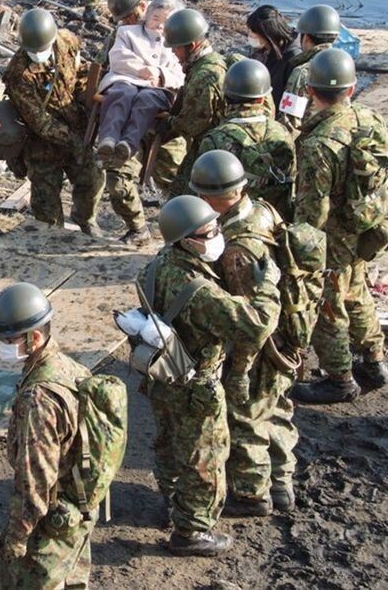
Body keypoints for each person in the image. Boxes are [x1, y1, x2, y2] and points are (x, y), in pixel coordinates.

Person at [141, 196, 277, 556]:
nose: (218, 235)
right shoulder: (200, 292)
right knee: (206, 458)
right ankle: (192, 532)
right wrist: (268, 287)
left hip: (162, 375)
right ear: (187, 241)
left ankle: (172, 503)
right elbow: (255, 326)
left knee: (169, 443)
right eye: (209, 232)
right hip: (197, 385)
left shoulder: (155, 268)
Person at [189, 151, 298, 515]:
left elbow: (251, 323)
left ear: (207, 196)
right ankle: (281, 484)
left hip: (261, 344)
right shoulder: (263, 209)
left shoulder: (236, 248)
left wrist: (239, 371)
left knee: (247, 414)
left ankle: (252, 494)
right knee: (276, 408)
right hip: (284, 331)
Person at [0, 283, 97, 588]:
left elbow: (35, 479)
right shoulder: (71, 369)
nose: (1, 346)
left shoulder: (39, 400)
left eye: (7, 340)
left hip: (51, 521)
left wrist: (17, 537)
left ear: (34, 338)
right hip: (79, 507)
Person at [292, 49, 388, 403]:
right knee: (356, 288)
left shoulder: (320, 143)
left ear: (311, 92)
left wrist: (299, 255)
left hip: (334, 236)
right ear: (350, 89)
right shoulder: (369, 118)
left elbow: (312, 215)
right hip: (368, 223)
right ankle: (375, 360)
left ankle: (340, 379)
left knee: (326, 305)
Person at [3, 8, 105, 234]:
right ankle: (51, 235)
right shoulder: (18, 73)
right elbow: (41, 122)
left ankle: (85, 218)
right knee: (46, 204)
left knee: (93, 178)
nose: (39, 54)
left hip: (75, 126)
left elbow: (79, 74)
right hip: (41, 145)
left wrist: (86, 102)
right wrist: (75, 141)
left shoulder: (67, 42)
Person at [95, 0, 184, 242]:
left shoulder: (176, 45)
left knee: (174, 178)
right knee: (118, 177)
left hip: (159, 111)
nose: (159, 25)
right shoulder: (127, 33)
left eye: (165, 22)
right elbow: (118, 57)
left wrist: (158, 74)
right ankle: (137, 228)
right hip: (126, 83)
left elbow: (180, 74)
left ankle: (184, 228)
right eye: (155, 18)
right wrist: (141, 70)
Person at [197, 59, 296, 219]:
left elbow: (204, 196)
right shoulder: (282, 132)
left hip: (235, 227)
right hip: (277, 222)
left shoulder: (215, 139)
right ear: (262, 99)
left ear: (226, 96)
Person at [96, 0, 154, 245]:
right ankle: (138, 228)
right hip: (125, 120)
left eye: (131, 15)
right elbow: (106, 65)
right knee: (118, 181)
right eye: (123, 18)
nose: (128, 21)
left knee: (178, 181)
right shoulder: (120, 35)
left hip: (160, 121)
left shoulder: (167, 30)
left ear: (143, 6)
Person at [155, 9, 228, 198]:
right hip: (210, 146)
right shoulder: (211, 63)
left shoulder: (204, 76)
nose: (173, 52)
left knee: (184, 197)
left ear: (192, 45)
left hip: (211, 150)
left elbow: (192, 124)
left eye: (177, 48)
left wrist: (169, 122)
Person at [278, 4, 340, 132]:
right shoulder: (342, 65)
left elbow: (290, 120)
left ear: (306, 37)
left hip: (309, 142)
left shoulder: (302, 72)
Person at [246, 5, 301, 106]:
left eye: (253, 32)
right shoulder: (261, 50)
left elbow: (294, 100)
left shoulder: (293, 58)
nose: (250, 35)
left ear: (267, 35)